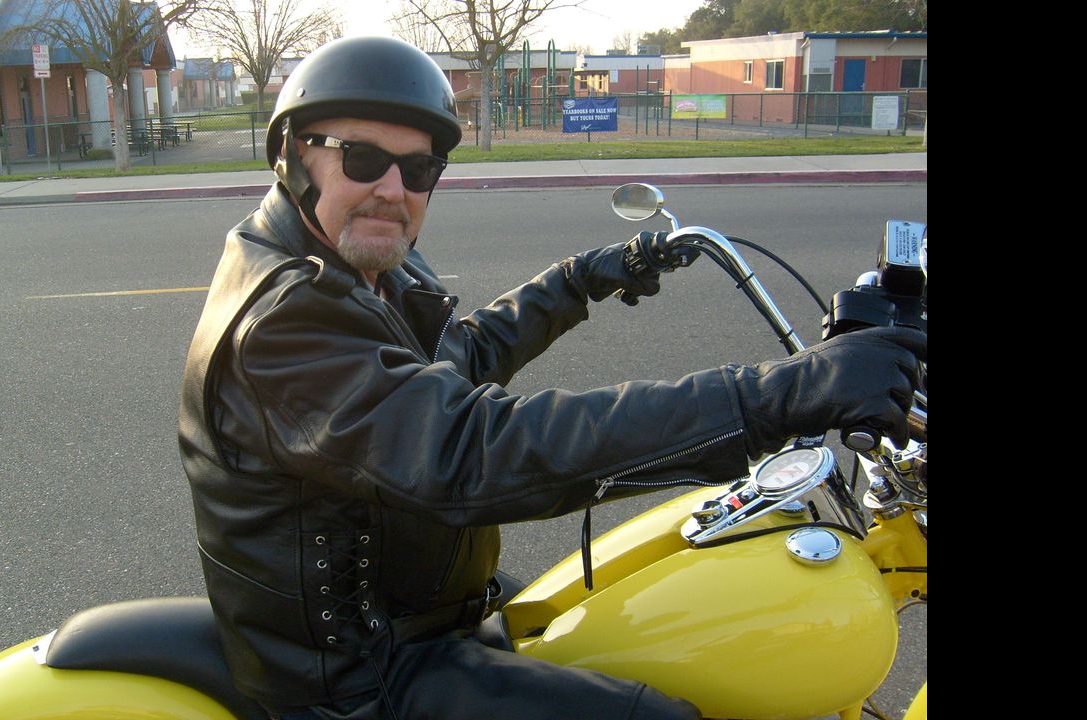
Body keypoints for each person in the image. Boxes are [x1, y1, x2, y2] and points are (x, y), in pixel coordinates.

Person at [178, 36, 924, 720]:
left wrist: (581, 280)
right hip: (356, 677)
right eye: (363, 159)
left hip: (423, 614)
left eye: (419, 169)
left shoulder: (361, 261)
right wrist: (774, 398)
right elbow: (470, 450)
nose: (393, 189)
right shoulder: (282, 320)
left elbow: (453, 361)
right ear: (292, 155)